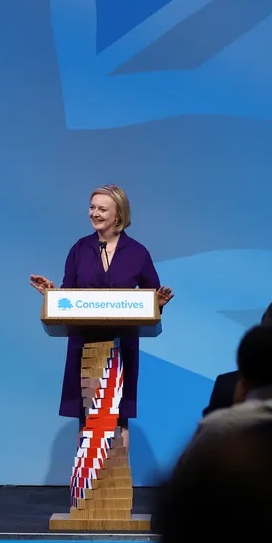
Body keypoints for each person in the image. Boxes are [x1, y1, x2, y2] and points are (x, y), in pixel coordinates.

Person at [29, 184, 173, 450]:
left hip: (121, 344)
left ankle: (115, 487)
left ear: (118, 215)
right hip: (84, 343)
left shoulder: (138, 252)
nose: (94, 213)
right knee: (87, 416)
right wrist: (52, 295)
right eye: (92, 207)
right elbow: (68, 296)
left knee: (119, 415)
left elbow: (152, 294)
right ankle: (88, 486)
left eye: (102, 209)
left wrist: (158, 303)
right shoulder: (80, 249)